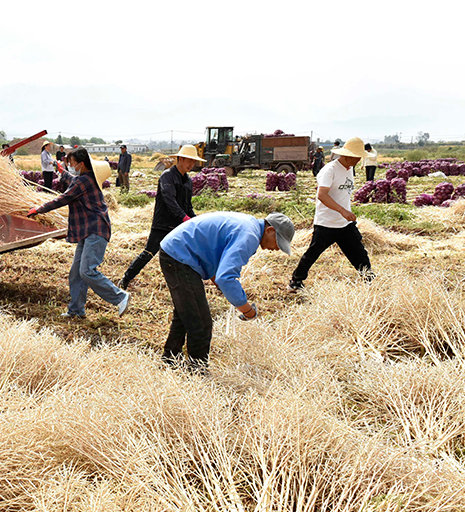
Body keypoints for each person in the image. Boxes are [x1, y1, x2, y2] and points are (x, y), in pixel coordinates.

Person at [159, 211, 295, 373]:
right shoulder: (249, 236)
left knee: (187, 313)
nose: (277, 248)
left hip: (177, 251)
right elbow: (226, 278)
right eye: (278, 242)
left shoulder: (249, 226)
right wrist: (247, 310)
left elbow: (216, 253)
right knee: (201, 323)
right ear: (270, 230)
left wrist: (218, 279)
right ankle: (197, 373)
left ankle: (170, 360)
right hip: (179, 255)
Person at [28, 147, 131, 319]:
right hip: (88, 230)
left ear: (81, 164)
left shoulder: (82, 182)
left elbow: (62, 199)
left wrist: (39, 209)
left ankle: (120, 297)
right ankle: (76, 310)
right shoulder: (86, 178)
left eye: (73, 164)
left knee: (87, 271)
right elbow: (74, 180)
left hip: (95, 230)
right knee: (76, 273)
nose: (71, 166)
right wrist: (62, 172)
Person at [288, 137, 373, 292]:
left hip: (345, 223)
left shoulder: (349, 169)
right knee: (312, 253)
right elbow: (322, 195)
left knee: (359, 252)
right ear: (347, 155)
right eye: (357, 156)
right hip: (326, 223)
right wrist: (342, 210)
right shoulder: (330, 170)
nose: (359, 159)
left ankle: (369, 280)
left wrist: (346, 211)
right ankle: (296, 281)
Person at [119, 145, 203, 290]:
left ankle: (183, 285)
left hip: (180, 224)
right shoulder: (167, 176)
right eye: (189, 161)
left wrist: (195, 220)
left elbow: (187, 205)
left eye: (193, 162)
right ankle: (126, 279)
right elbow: (169, 200)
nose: (191, 164)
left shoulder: (188, 181)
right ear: (180, 159)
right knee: (149, 253)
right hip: (163, 224)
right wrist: (185, 219)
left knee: (183, 255)